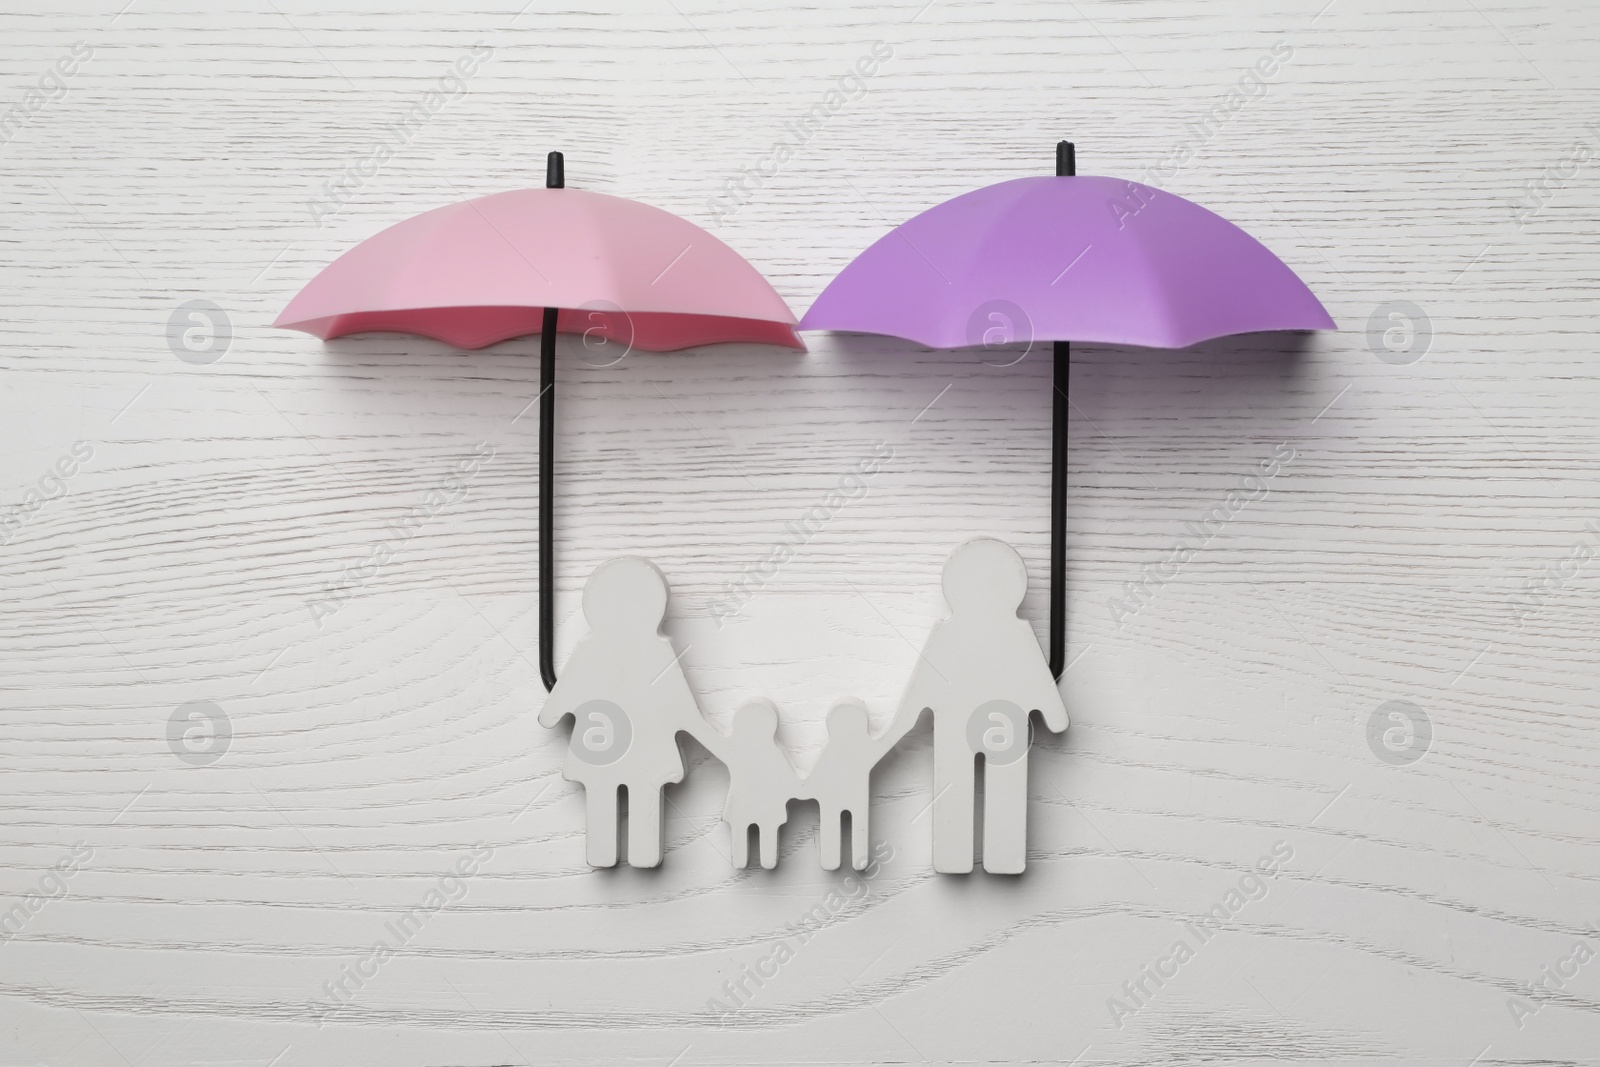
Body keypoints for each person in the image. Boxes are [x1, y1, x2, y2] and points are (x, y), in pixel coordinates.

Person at [879, 539, 1068, 873]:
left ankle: (961, 855)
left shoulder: (953, 635)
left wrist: (895, 729)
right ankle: (1001, 856)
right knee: (997, 788)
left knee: (957, 786)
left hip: (960, 727)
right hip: (1004, 727)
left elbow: (919, 695)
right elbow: (1044, 694)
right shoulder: (1015, 634)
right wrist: (1053, 716)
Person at [537, 557, 711, 868]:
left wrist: (557, 713)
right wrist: (709, 735)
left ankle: (609, 853)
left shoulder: (593, 650)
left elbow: (554, 710)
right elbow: (683, 710)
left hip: (602, 747)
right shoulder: (651, 651)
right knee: (636, 792)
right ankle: (638, 853)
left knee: (606, 793)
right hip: (638, 746)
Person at [804, 698, 890, 871]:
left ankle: (835, 858)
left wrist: (803, 788)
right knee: (852, 826)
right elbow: (886, 742)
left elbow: (815, 775)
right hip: (849, 799)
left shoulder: (834, 749)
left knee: (836, 826)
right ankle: (849, 858)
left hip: (836, 799)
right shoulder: (863, 747)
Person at [719, 698, 801, 869]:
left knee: (755, 831)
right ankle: (759, 860)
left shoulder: (736, 748)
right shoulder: (770, 751)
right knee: (760, 831)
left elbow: (787, 778)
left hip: (748, 805)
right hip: (759, 806)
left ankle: (755, 859)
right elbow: (789, 779)